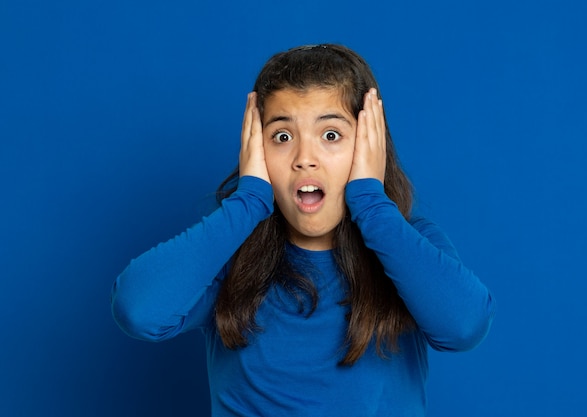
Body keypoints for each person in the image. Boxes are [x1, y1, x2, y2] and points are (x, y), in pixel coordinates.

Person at [111, 44, 495, 416]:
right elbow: (139, 311)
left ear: (370, 146)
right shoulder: (227, 248)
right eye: (282, 136)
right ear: (255, 150)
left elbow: (464, 326)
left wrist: (373, 206)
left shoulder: (408, 242)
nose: (304, 159)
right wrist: (247, 202)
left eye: (331, 135)